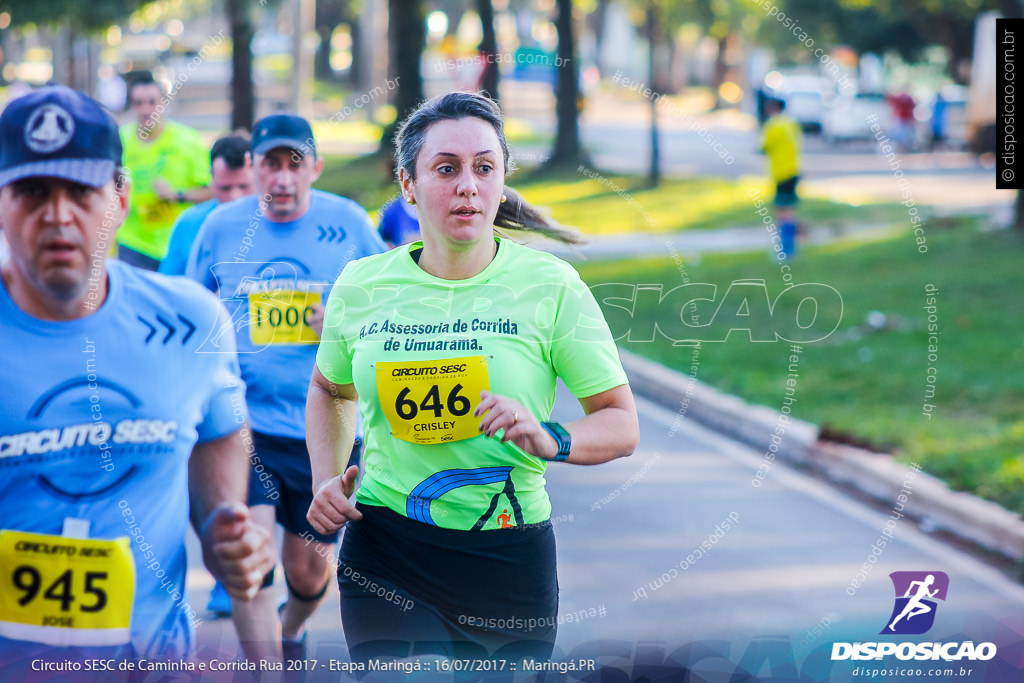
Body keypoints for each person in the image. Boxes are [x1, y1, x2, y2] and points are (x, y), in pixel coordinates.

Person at [307, 91, 640, 665]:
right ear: (407, 185)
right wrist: (326, 478)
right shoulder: (361, 285)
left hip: (507, 558)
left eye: (485, 168)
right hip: (387, 550)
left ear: (501, 180)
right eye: (446, 168)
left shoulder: (551, 286)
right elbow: (330, 390)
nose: (468, 185)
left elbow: (621, 422)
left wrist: (550, 436)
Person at [0, 85, 273, 673]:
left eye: (80, 191)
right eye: (31, 191)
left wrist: (235, 542)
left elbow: (222, 511)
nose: (58, 215)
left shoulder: (194, 323)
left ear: (120, 199)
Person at [186, 113, 385, 662]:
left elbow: (392, 311)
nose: (282, 177)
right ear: (252, 168)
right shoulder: (220, 228)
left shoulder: (348, 225)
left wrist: (347, 328)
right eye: (270, 163)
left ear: (315, 168)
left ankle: (290, 630)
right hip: (242, 424)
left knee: (305, 570)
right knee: (251, 563)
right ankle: (267, 671)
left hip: (326, 428)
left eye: (295, 163)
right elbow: (191, 310)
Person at [117, 75, 213, 270]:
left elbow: (212, 192)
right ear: (132, 106)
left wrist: (177, 195)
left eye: (152, 102)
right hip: (133, 243)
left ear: (164, 104)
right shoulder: (119, 141)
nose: (145, 110)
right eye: (138, 103)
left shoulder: (188, 141)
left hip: (178, 243)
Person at [160, 135, 256, 276]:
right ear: (212, 178)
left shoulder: (278, 221)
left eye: (244, 186)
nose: (235, 197)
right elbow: (168, 284)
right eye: (225, 188)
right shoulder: (189, 222)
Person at [760, 96, 801, 260]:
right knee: (789, 210)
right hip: (793, 170)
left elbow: (764, 147)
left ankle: (786, 250)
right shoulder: (791, 123)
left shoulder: (772, 125)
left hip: (780, 173)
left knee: (782, 212)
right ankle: (789, 248)